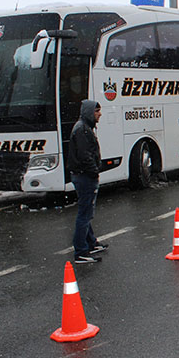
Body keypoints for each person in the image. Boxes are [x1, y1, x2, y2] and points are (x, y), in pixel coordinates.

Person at [69, 100, 108, 264]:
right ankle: (81, 251)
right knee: (85, 214)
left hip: (83, 175)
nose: (99, 114)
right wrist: (94, 171)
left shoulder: (83, 128)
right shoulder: (83, 130)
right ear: (89, 112)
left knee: (86, 211)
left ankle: (91, 243)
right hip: (85, 176)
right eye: (97, 111)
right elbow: (86, 156)